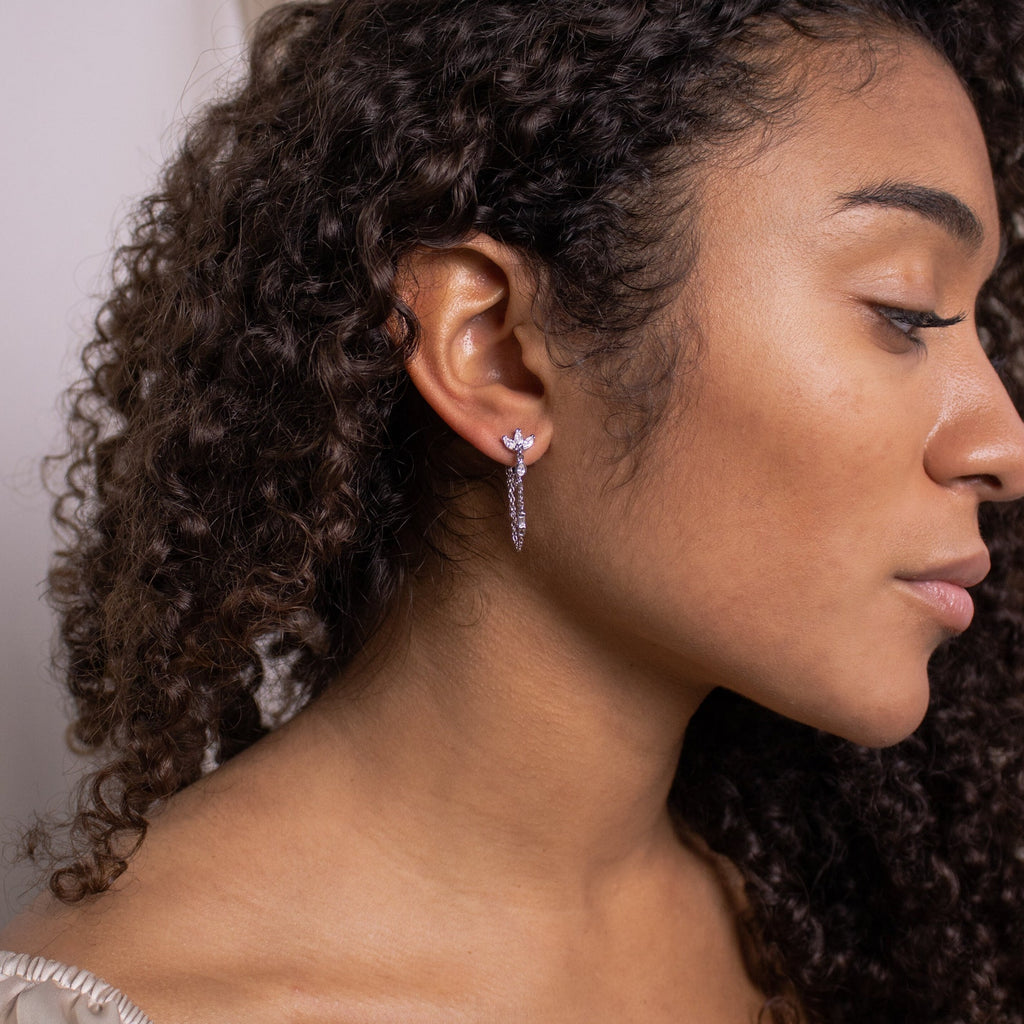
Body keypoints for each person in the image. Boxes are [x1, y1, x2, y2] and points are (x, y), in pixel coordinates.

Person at [4, 0, 1024, 1020]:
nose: (1004, 447)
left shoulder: (868, 929)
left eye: (981, 324)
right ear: (491, 349)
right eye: (903, 311)